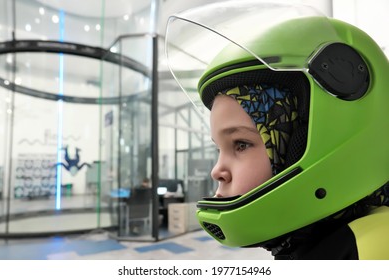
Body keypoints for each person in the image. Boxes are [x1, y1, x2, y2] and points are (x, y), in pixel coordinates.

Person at [165, 1, 389, 259]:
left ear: (319, 140)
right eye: (219, 148)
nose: (217, 170)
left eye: (240, 144)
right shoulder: (312, 241)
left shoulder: (371, 247)